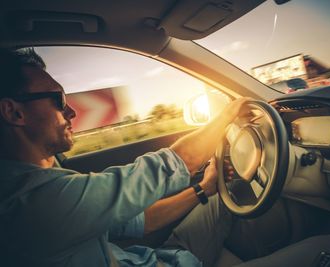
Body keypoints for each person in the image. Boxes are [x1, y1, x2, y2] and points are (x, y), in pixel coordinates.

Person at [0, 48, 245, 267]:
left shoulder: (40, 189)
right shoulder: (34, 202)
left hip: (162, 257)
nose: (71, 112)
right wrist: (230, 112)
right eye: (59, 99)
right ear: (14, 112)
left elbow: (139, 221)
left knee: (222, 198)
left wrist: (204, 188)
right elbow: (180, 162)